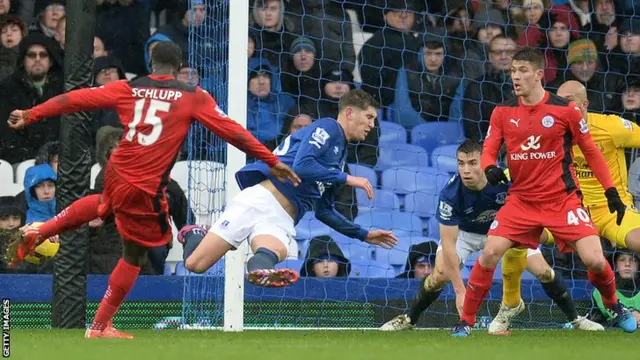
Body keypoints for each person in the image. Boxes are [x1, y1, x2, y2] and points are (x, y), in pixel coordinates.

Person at [5, 42, 299, 339]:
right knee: (136, 253)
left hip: (117, 170)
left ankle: (41, 231)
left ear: (150, 62)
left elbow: (77, 99)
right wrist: (271, 160)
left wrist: (33, 113)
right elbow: (232, 131)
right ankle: (99, 326)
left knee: (103, 203)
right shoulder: (193, 96)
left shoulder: (129, 86)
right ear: (178, 66)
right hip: (146, 185)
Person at [451, 47, 637, 337]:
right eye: (513, 71)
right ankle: (467, 321)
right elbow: (488, 149)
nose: (515, 76)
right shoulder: (503, 112)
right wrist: (489, 167)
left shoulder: (566, 111)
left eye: (522, 71)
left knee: (596, 260)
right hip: (521, 202)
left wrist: (611, 191)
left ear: (539, 74)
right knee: (490, 253)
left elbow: (590, 151)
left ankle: (614, 305)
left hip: (562, 201)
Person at [183, 89, 398, 287]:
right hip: (262, 199)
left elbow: (323, 211)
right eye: (369, 117)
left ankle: (261, 273)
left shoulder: (339, 157)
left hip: (283, 218)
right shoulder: (328, 127)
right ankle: (193, 233)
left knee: (274, 251)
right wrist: (348, 179)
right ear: (350, 113)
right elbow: (302, 166)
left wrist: (364, 235)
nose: (372, 125)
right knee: (195, 265)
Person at [380, 140, 602, 332]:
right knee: (439, 274)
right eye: (461, 164)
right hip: (465, 235)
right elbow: (449, 243)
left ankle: (576, 319)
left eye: (472, 163)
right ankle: (409, 320)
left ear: (484, 162)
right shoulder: (450, 193)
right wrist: (460, 292)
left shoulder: (505, 181)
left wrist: (546, 235)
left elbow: (533, 214)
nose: (466, 170)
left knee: (543, 271)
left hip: (504, 232)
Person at [555, 80, 640, 253]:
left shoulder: (611, 127)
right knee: (516, 238)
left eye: (568, 100)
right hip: (571, 210)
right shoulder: (551, 132)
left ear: (584, 104)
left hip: (613, 210)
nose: (562, 106)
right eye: (558, 101)